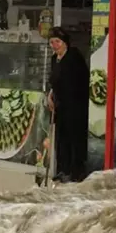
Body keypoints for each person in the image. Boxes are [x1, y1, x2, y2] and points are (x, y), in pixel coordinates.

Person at [46, 27, 90, 183]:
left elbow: (82, 81)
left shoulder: (74, 57)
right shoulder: (54, 59)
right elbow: (54, 81)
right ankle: (62, 170)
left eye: (57, 42)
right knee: (61, 138)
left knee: (75, 139)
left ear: (65, 43)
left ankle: (76, 172)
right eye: (52, 42)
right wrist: (50, 95)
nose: (54, 45)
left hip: (76, 105)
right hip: (61, 105)